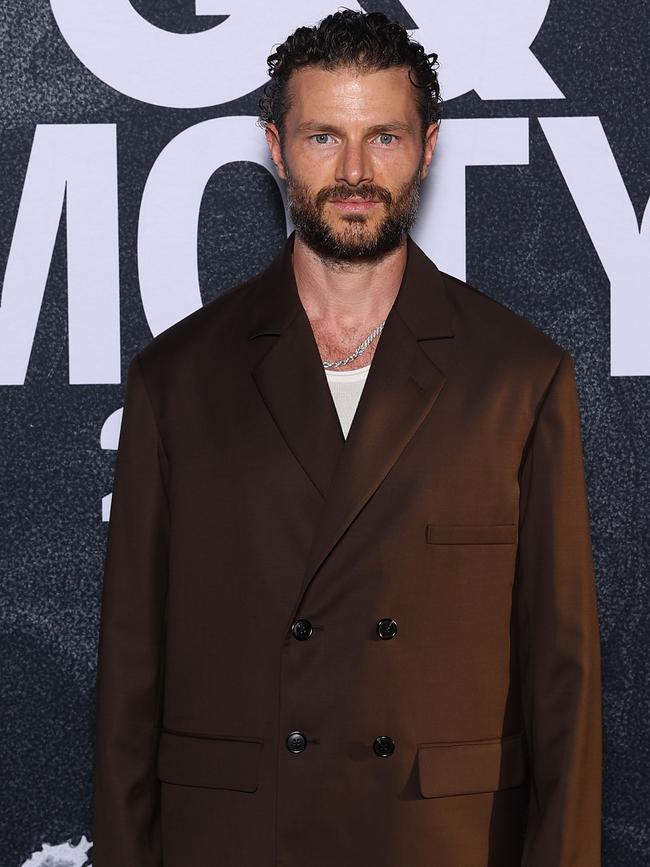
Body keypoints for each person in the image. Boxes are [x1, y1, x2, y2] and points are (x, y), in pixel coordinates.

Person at [91, 9, 602, 867]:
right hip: (240, 842)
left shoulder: (519, 377)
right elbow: (128, 685)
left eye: (385, 137)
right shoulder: (175, 380)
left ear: (429, 147)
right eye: (325, 136)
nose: (356, 172)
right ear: (276, 146)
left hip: (442, 841)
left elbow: (565, 681)